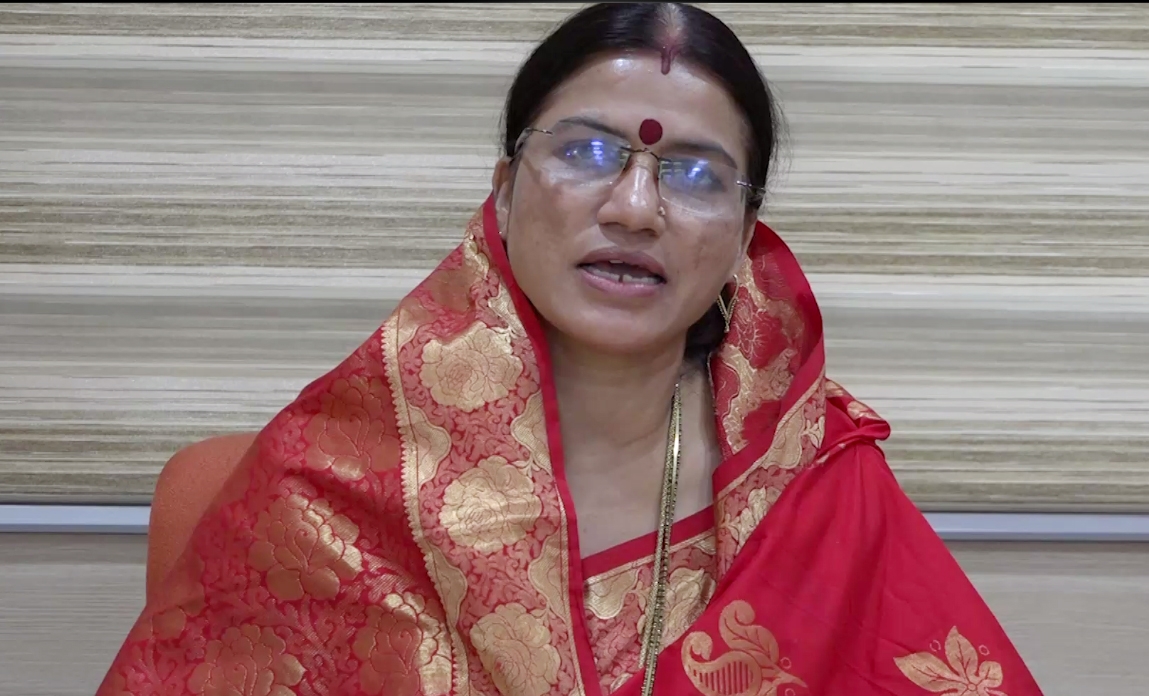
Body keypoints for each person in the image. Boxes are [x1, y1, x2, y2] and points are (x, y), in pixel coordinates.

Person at [97, 3, 1046, 695]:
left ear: (743, 237)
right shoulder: (330, 487)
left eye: (694, 175)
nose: (633, 208)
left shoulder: (807, 480)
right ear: (505, 190)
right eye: (586, 153)